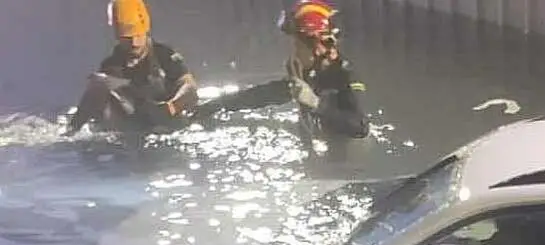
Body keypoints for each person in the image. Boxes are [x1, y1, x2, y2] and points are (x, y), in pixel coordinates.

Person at [195, 0, 368, 149]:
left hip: (349, 154)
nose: (293, 50)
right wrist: (215, 106)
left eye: (296, 44)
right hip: (319, 144)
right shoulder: (305, 70)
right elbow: (266, 95)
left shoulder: (346, 74)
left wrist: (315, 103)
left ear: (317, 45)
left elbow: (360, 128)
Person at [64, 0, 198, 137]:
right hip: (135, 128)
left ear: (146, 30)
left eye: (138, 35)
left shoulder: (164, 55)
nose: (134, 43)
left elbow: (190, 88)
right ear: (118, 37)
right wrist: (74, 129)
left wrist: (171, 107)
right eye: (128, 38)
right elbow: (96, 99)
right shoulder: (111, 66)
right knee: (99, 86)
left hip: (170, 124)